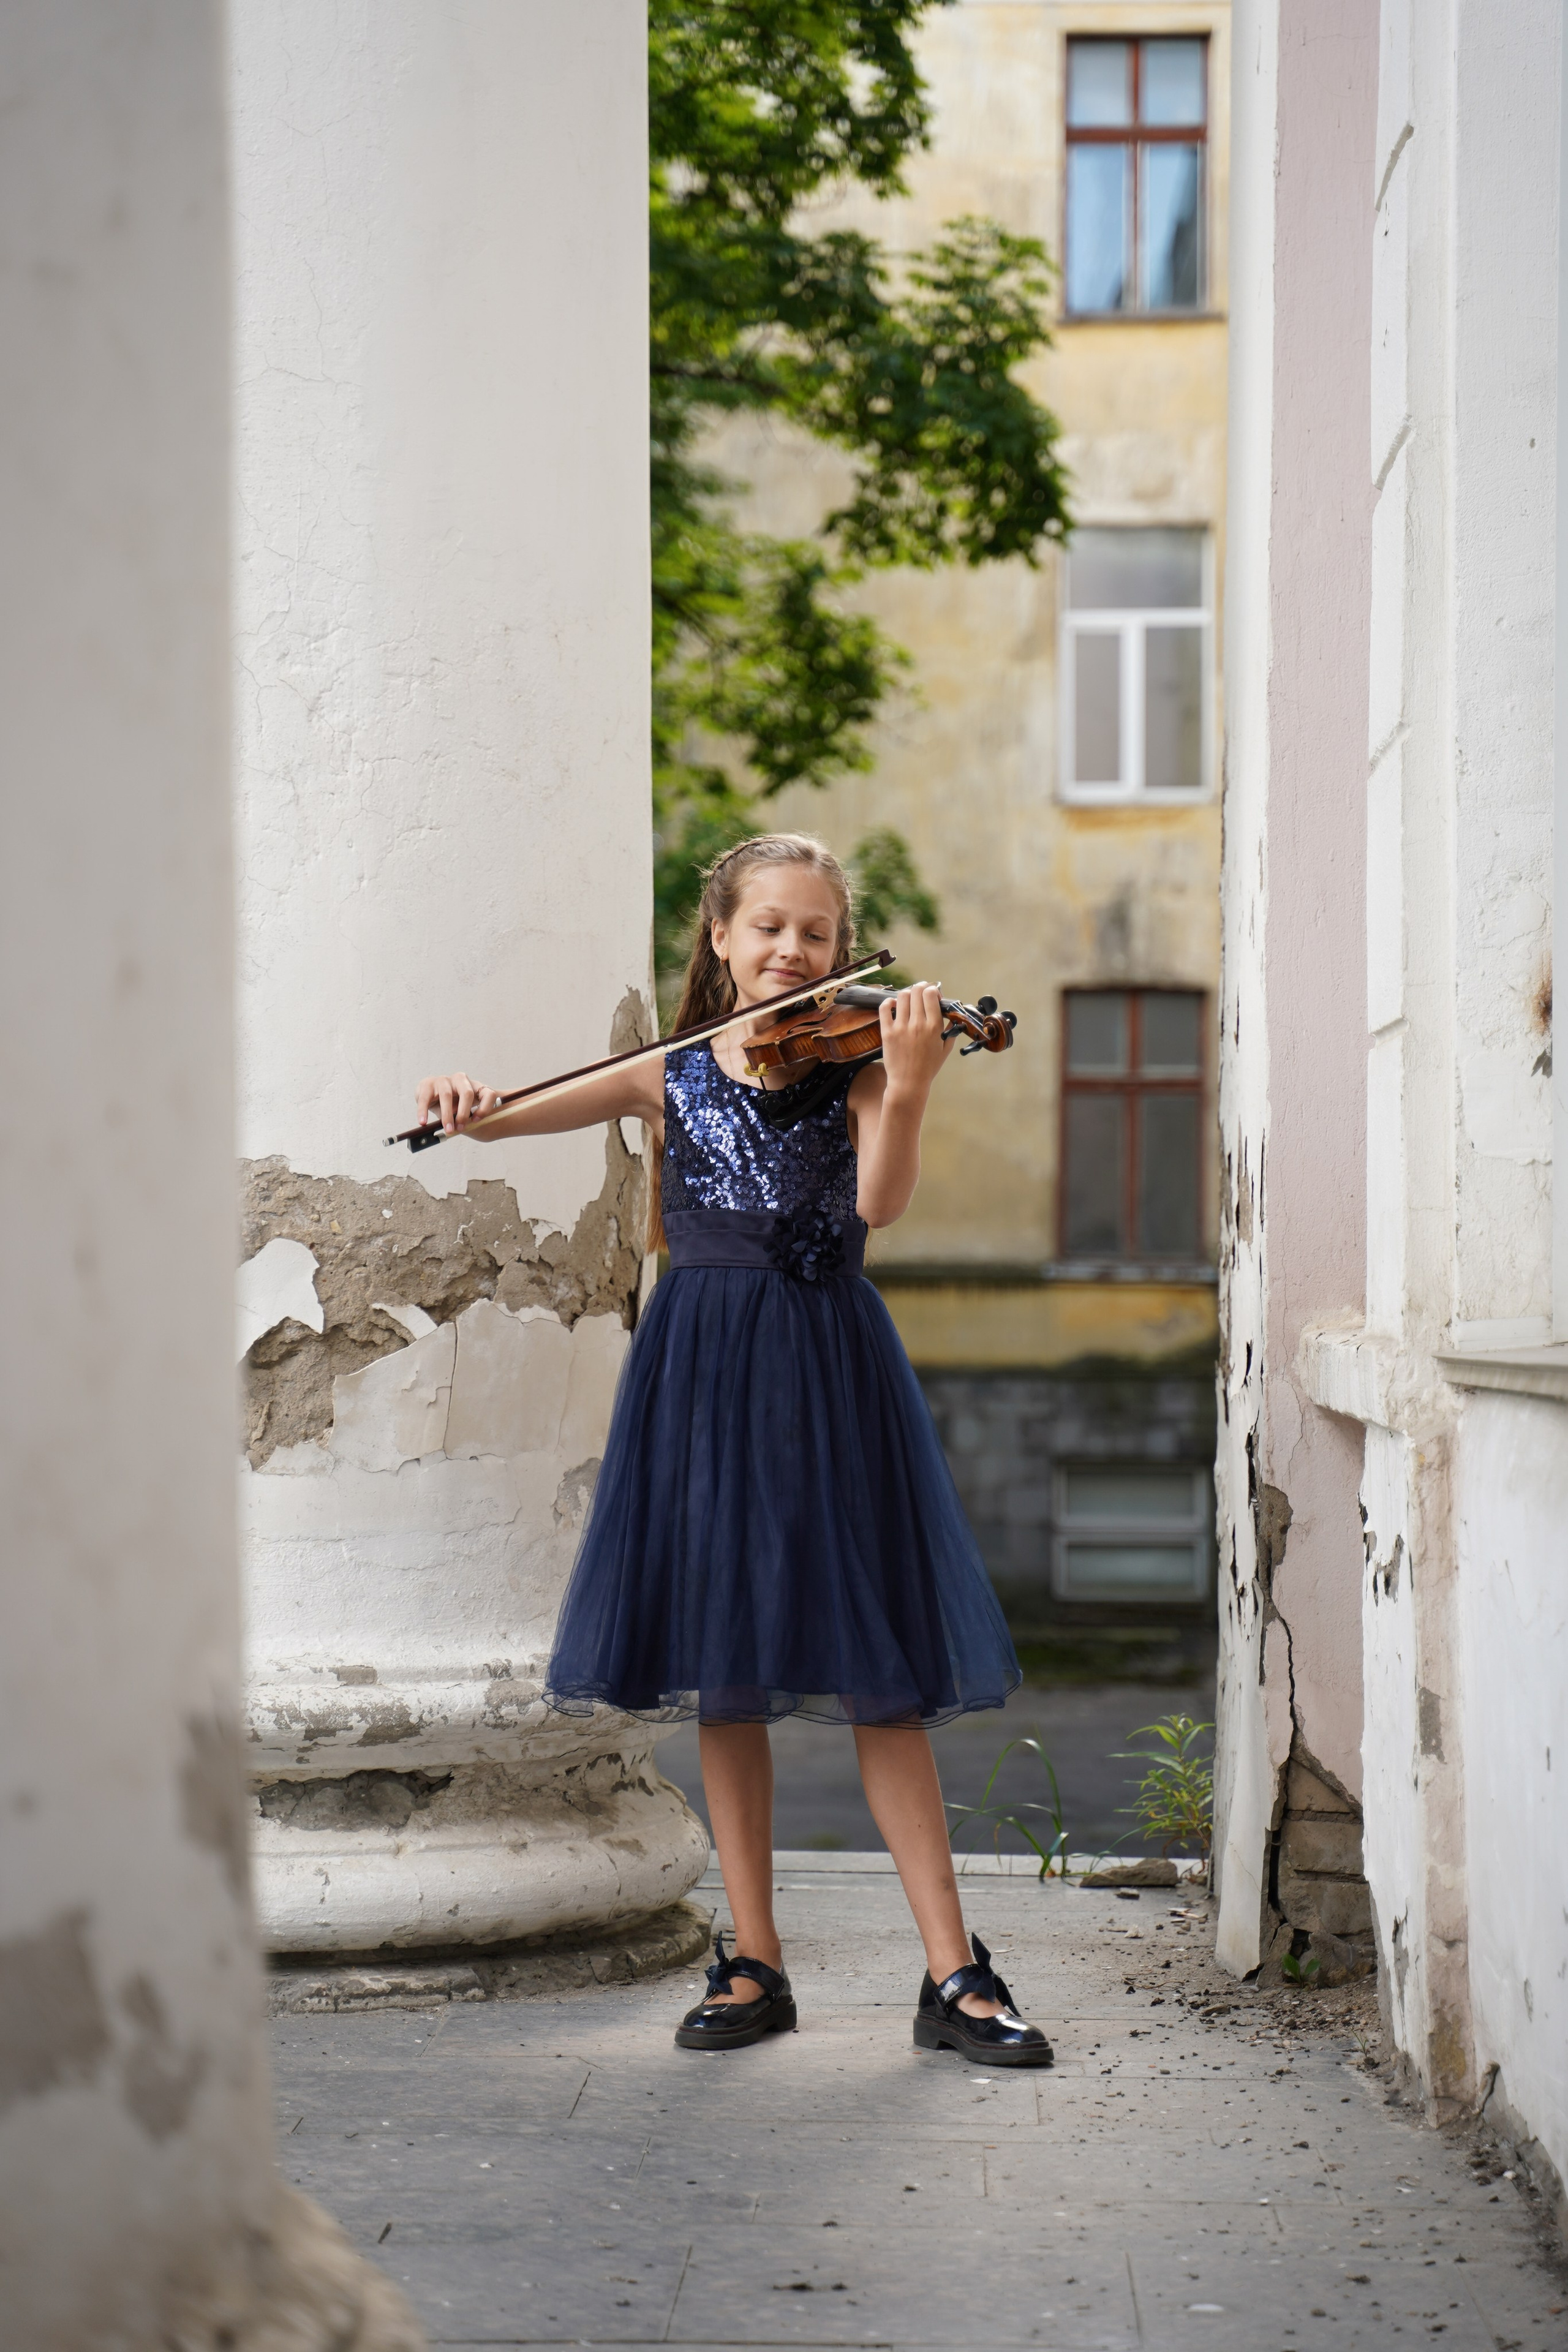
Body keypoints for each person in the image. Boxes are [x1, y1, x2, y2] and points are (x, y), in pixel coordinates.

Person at [415, 832, 1052, 2068]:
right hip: (700, 1368)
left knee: (882, 1671)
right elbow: (502, 1124)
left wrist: (910, 1083)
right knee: (725, 1670)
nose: (792, 952)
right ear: (717, 937)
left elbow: (877, 1206)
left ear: (838, 947)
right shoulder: (672, 1074)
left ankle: (952, 1972)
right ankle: (752, 1959)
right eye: (767, 927)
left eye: (815, 934)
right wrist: (464, 1103)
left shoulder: (854, 1060)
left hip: (823, 1368)